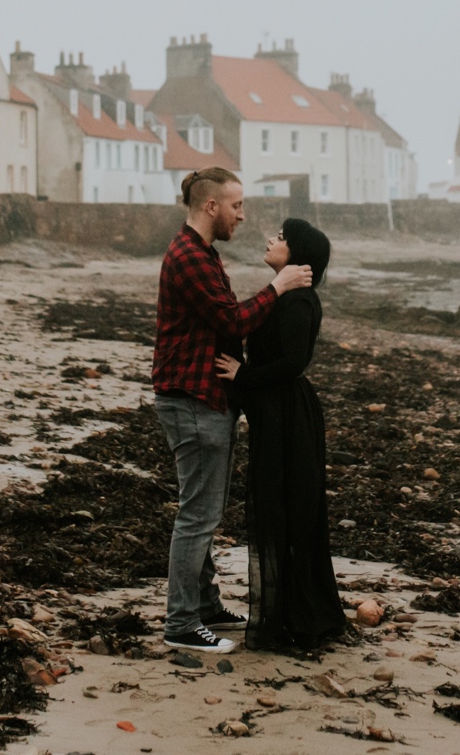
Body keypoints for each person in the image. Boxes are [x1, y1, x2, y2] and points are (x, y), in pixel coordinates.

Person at [154, 167, 312, 654]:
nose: (243, 215)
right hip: (193, 399)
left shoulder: (201, 253)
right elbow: (231, 319)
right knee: (198, 515)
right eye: (236, 206)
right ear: (211, 207)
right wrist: (279, 288)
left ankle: (204, 605)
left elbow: (224, 321)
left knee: (202, 510)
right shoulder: (189, 257)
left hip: (202, 397)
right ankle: (182, 622)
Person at [215, 217, 347, 651]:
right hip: (281, 412)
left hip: (290, 416)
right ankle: (293, 612)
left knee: (286, 512)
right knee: (281, 511)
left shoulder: (298, 302)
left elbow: (293, 364)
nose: (271, 239)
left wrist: (242, 375)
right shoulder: (287, 297)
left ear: (298, 255)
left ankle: (297, 617)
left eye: (282, 238)